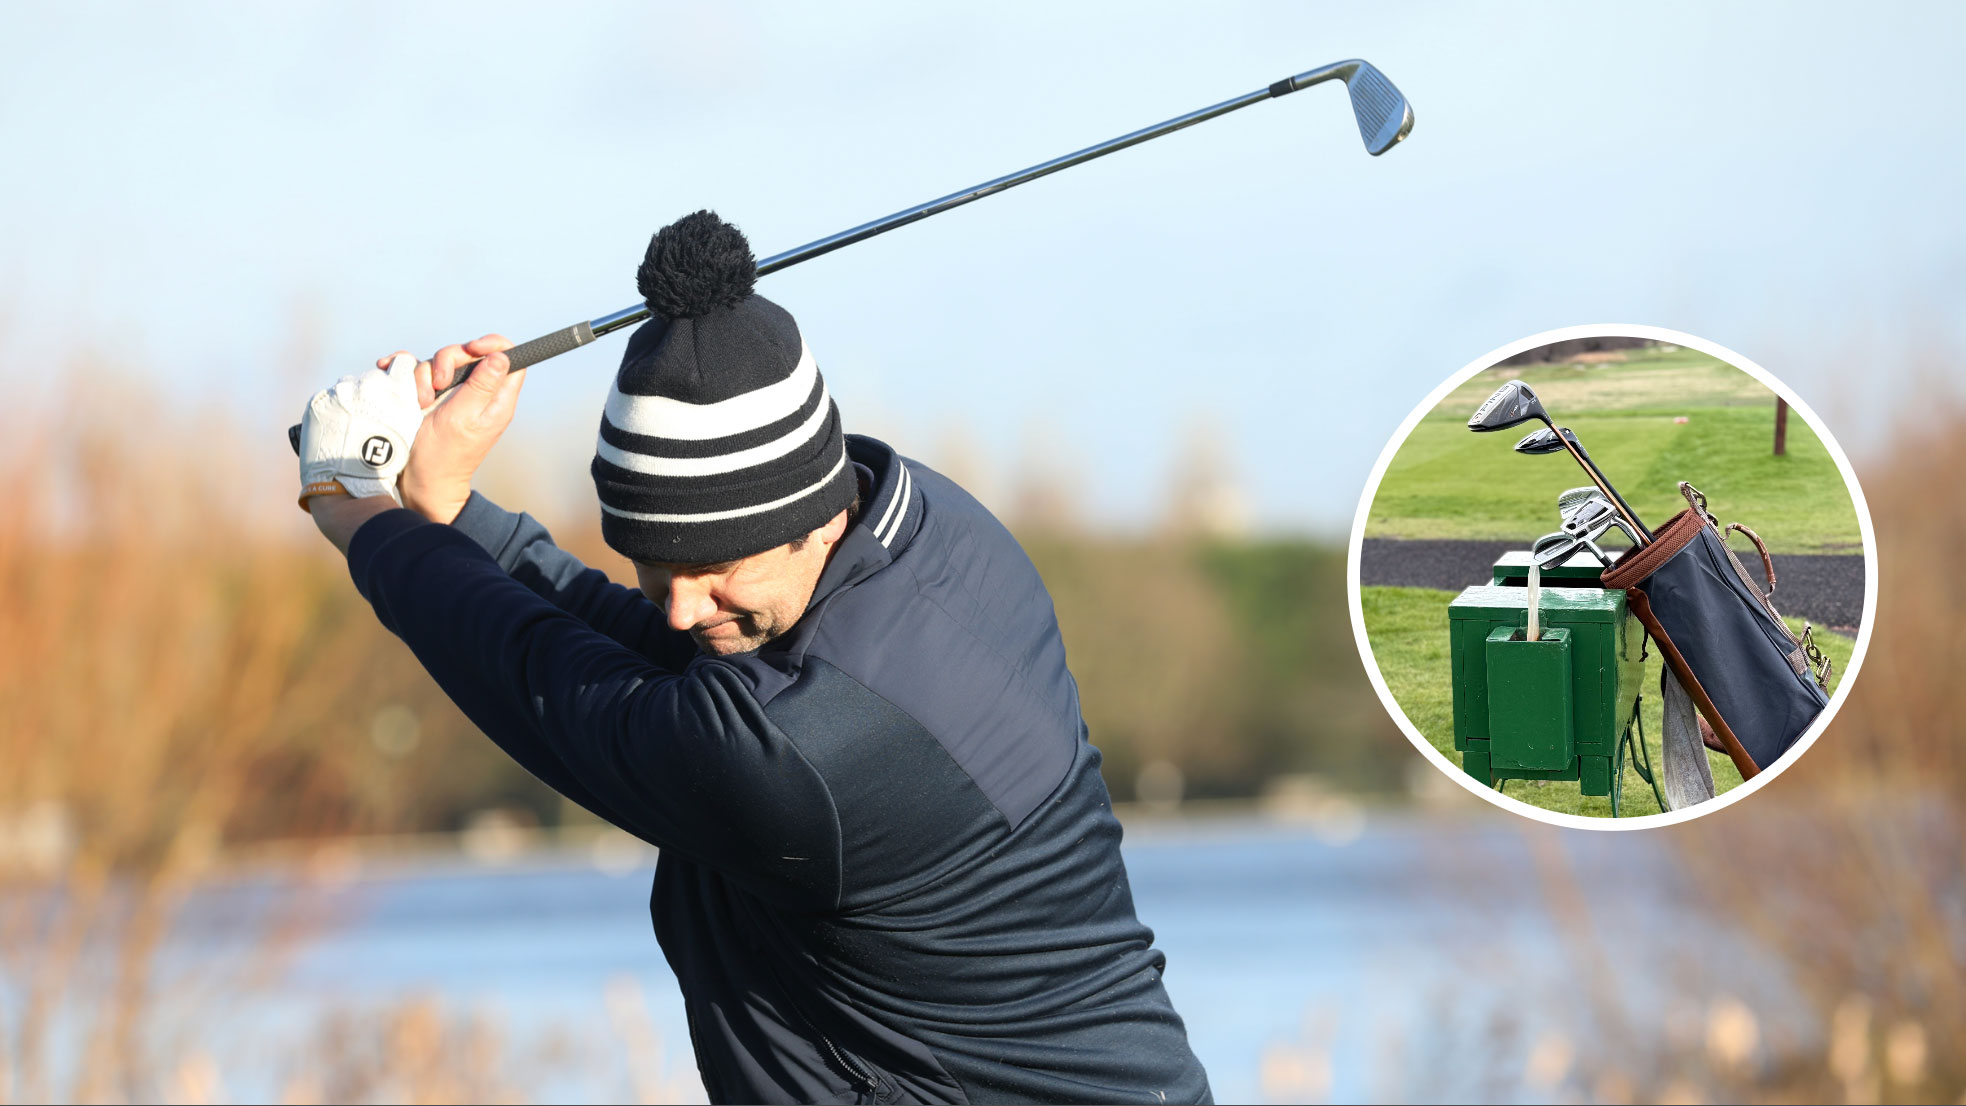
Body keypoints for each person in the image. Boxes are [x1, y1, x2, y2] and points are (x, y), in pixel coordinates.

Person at [298, 212, 1210, 1105]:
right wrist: (448, 508)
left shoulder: (805, 754)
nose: (682, 609)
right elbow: (634, 654)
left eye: (715, 571)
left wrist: (354, 504)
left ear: (811, 518)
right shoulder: (929, 526)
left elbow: (553, 688)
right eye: (655, 568)